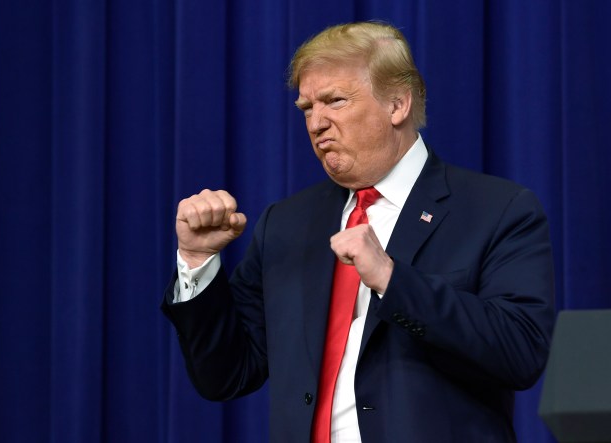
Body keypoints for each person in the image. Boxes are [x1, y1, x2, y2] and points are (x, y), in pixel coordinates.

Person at [161, 21, 554, 443]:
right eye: (307, 108)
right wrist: (198, 262)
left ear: (397, 105)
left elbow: (519, 353)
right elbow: (226, 375)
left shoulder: (496, 209)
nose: (316, 124)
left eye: (334, 101)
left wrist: (392, 279)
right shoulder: (288, 222)